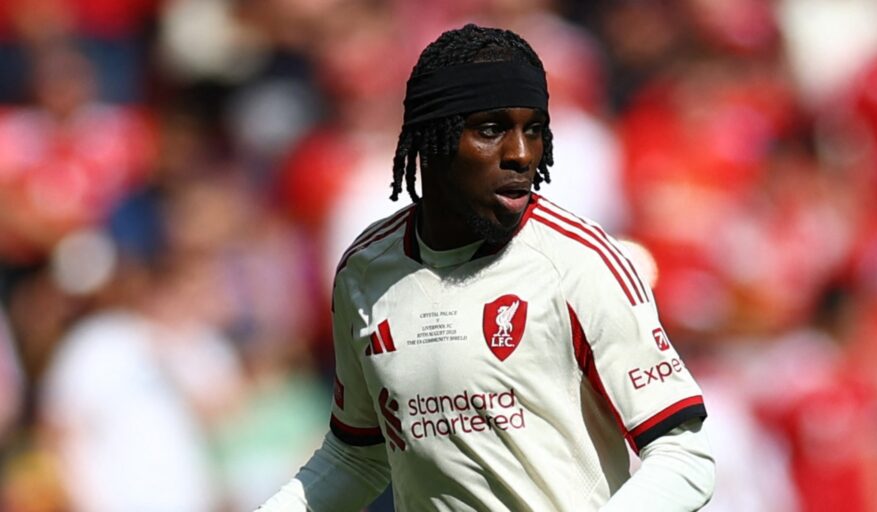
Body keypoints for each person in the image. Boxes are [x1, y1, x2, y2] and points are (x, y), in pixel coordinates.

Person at [259, 24, 714, 511]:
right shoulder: (367, 272)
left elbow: (684, 456)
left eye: (534, 130)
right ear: (431, 139)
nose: (521, 155)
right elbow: (359, 456)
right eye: (492, 130)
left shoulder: (580, 262)